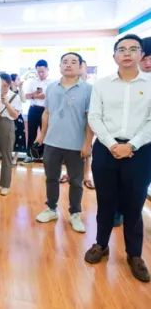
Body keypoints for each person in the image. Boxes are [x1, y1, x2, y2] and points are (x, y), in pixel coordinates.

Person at [84, 35, 151, 283]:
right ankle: (101, 244)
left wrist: (131, 145)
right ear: (114, 56)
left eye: (133, 49)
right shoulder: (102, 85)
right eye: (121, 49)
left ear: (141, 55)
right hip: (106, 149)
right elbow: (94, 117)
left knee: (134, 204)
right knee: (105, 201)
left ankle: (134, 255)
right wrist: (113, 144)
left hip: (140, 151)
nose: (127, 53)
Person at [35, 52, 93, 234]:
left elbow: (90, 118)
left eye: (73, 62)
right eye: (65, 62)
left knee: (76, 182)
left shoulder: (88, 89)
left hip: (76, 145)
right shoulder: (52, 87)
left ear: (80, 66)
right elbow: (47, 113)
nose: (68, 64)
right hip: (52, 143)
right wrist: (42, 135)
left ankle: (75, 213)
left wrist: (87, 143)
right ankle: (51, 209)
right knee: (51, 178)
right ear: (60, 66)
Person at [0, 73, 21, 195]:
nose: (1, 88)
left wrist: (7, 103)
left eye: (4, 86)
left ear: (9, 85)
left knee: (7, 156)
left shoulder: (14, 96)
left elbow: (15, 115)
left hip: (7, 125)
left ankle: (5, 184)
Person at [24, 59, 51, 162]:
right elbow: (26, 96)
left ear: (47, 69)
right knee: (31, 133)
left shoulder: (52, 83)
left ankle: (45, 155)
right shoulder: (32, 82)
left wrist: (45, 96)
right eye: (38, 72)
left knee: (46, 133)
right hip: (33, 109)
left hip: (46, 110)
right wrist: (34, 95)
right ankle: (29, 155)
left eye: (42, 71)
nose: (40, 74)